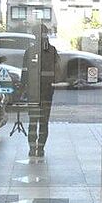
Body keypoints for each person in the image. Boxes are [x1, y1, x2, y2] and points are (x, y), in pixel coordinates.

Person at [21, 23, 58, 158]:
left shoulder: (30, 51)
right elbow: (56, 71)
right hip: (46, 91)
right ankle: (40, 149)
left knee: (33, 121)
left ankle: (32, 149)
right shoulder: (52, 51)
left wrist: (23, 88)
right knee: (43, 121)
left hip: (34, 91)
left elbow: (24, 74)